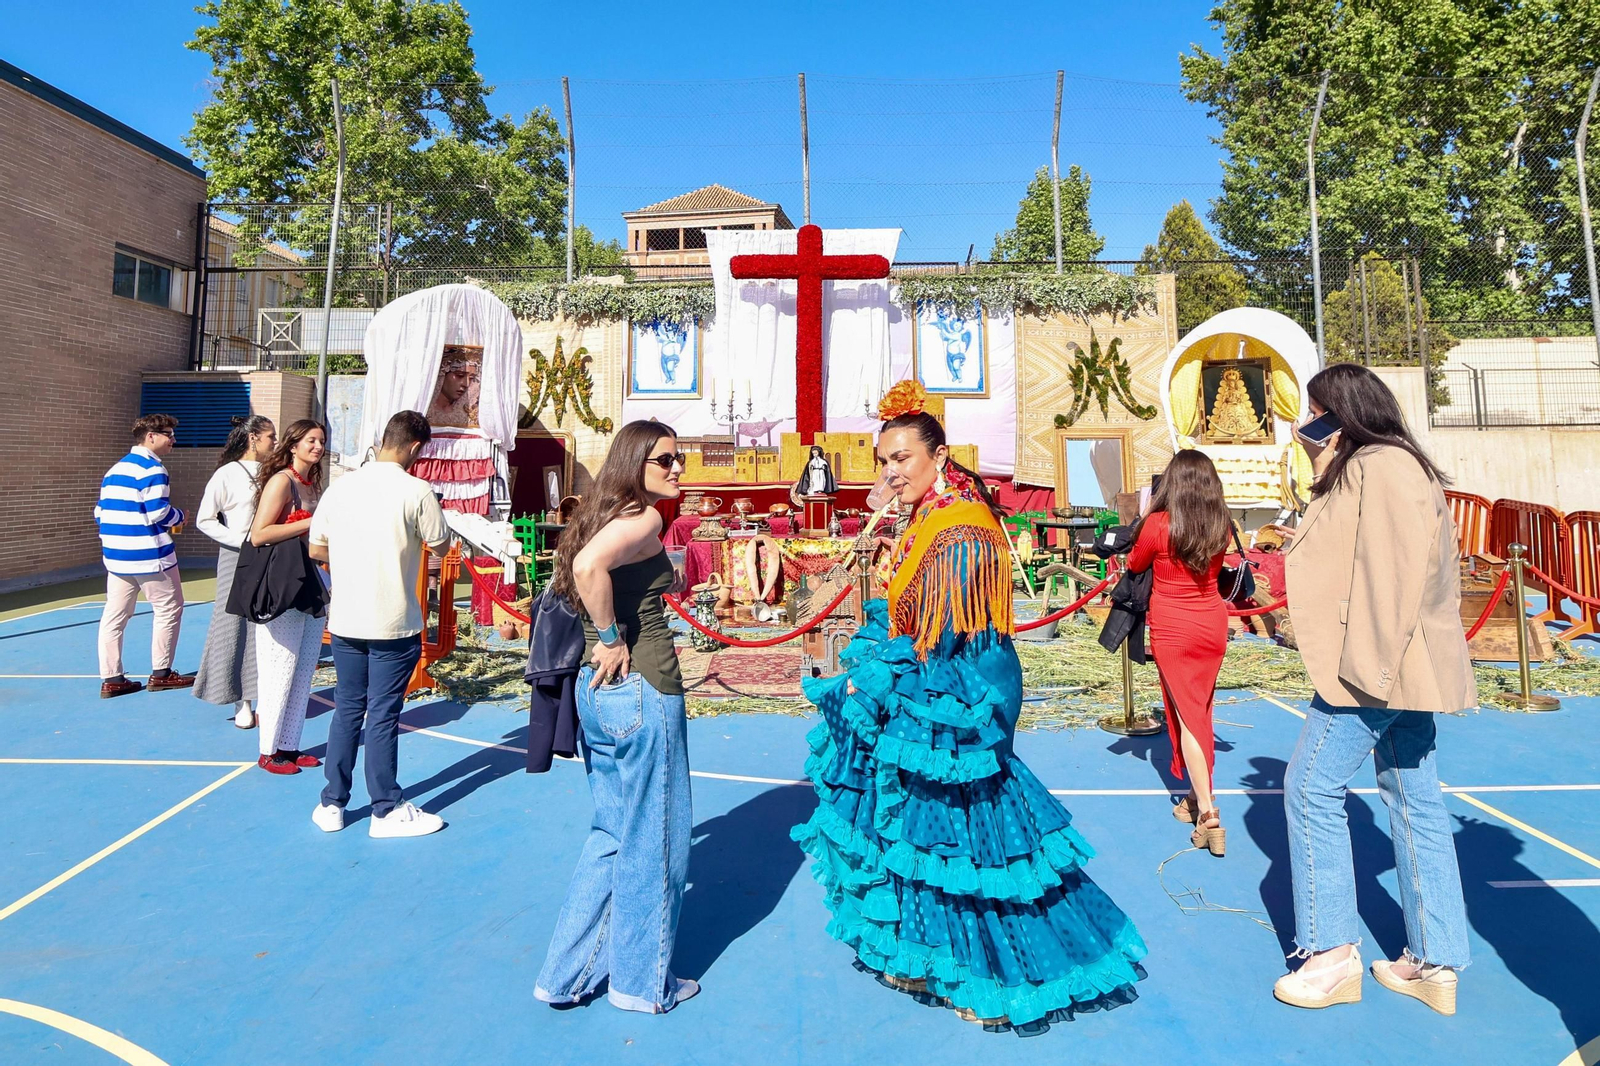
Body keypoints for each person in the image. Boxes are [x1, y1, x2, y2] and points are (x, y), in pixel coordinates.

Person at [791, 381, 1146, 1033]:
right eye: (884, 460)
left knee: (968, 844)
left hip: (956, 703)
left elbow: (948, 638)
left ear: (940, 455)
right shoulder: (927, 516)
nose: (892, 471)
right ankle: (926, 954)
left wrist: (879, 677)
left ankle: (994, 973)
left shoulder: (960, 528)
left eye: (903, 458)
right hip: (927, 696)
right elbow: (911, 622)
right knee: (916, 836)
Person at [1271, 363, 1474, 1015]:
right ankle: (1434, 959)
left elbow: (1391, 574)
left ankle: (1331, 956)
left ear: (1343, 408)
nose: (1310, 422)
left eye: (1318, 411)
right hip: (1404, 664)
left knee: (1309, 785)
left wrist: (1366, 672)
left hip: (1374, 663)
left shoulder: (1376, 466)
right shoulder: (1389, 461)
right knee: (1415, 797)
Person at [534, 420, 696, 1015]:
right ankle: (640, 982)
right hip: (642, 687)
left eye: (679, 460)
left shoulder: (599, 514)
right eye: (664, 460)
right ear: (635, 462)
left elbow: (584, 567)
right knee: (658, 838)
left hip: (598, 695)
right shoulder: (645, 518)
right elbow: (587, 571)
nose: (677, 469)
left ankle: (563, 975)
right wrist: (611, 636)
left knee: (611, 833)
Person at [308, 411, 451, 837]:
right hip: (394, 620)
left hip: (348, 618)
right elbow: (441, 543)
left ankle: (332, 802)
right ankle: (385, 808)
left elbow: (318, 548)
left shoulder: (341, 487)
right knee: (384, 714)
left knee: (348, 709)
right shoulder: (417, 490)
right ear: (415, 448)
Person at [1126, 450, 1232, 856]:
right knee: (1199, 709)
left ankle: (1208, 813)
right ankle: (1193, 795)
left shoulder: (1158, 523)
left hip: (1173, 625)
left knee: (1189, 718)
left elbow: (1135, 563)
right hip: (1211, 621)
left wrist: (1143, 514)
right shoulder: (1221, 524)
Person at [247, 419, 327, 775]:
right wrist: (310, 522)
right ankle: (268, 751)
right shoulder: (282, 481)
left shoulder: (314, 484)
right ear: (293, 445)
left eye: (322, 441)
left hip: (313, 583)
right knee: (279, 668)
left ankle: (289, 746)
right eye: (311, 440)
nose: (318, 446)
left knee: (303, 669)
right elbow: (258, 534)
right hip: (283, 586)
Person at [95, 414, 194, 698]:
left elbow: (99, 512)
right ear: (151, 436)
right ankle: (162, 673)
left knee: (114, 616)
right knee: (169, 609)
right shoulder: (154, 469)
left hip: (116, 556)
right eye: (168, 434)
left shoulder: (115, 470)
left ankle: (112, 678)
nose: (173, 439)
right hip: (151, 556)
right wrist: (182, 516)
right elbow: (160, 513)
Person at [194, 415, 276, 728]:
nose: (275, 442)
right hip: (237, 557)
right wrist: (241, 541)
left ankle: (267, 696)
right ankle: (243, 700)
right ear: (253, 438)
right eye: (270, 436)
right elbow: (206, 519)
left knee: (269, 626)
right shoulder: (227, 474)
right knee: (236, 627)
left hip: (272, 555)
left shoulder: (275, 472)